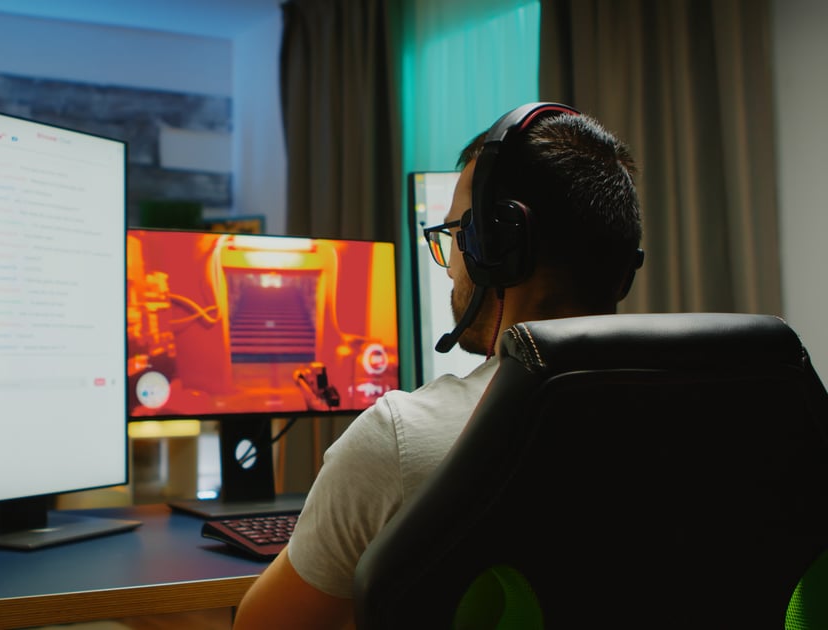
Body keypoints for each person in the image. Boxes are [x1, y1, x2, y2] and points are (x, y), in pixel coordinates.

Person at [232, 103, 644, 630]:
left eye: (455, 236)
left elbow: (265, 628)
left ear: (496, 247)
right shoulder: (730, 411)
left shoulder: (400, 439)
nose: (451, 264)